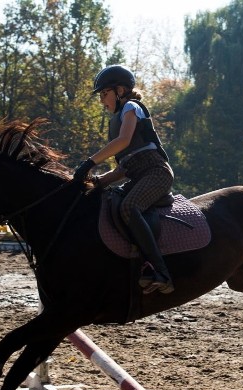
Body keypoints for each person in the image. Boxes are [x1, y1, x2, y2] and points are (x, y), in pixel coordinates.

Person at [72, 65, 175, 294]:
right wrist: (98, 182)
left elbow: (124, 141)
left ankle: (161, 272)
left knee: (130, 206)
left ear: (119, 90)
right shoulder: (116, 119)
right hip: (137, 176)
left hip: (156, 173)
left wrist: (90, 163)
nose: (102, 101)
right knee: (109, 201)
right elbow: (123, 168)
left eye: (104, 94)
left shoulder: (131, 107)